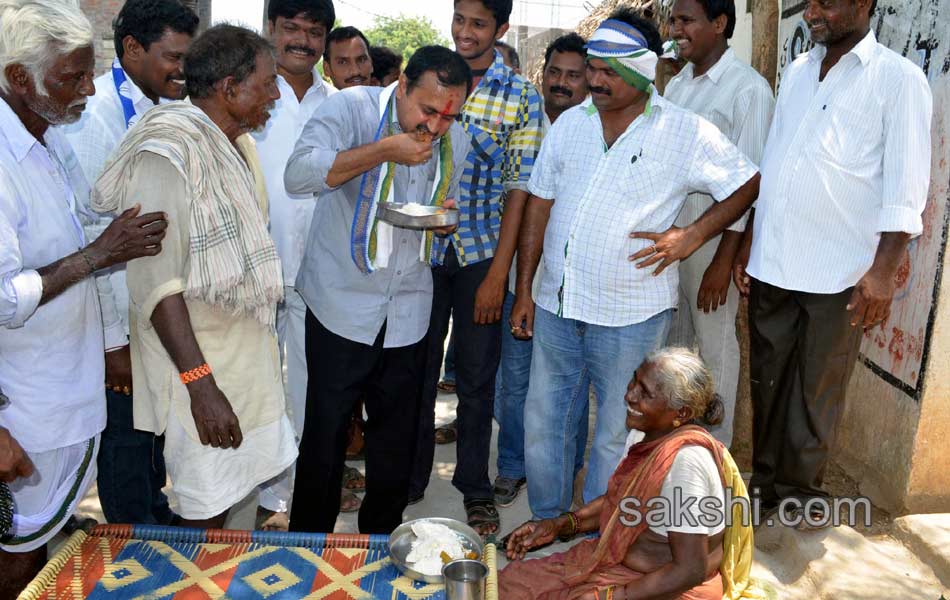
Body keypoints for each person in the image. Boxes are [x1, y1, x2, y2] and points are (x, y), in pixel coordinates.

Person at [510, 9, 760, 521]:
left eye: (609, 71)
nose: (595, 80)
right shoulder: (571, 126)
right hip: (558, 302)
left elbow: (747, 181)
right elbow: (539, 201)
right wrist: (524, 289)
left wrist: (691, 236)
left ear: (643, 72)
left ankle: (598, 540)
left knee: (616, 435)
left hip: (630, 313)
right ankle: (547, 522)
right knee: (545, 422)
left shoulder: (682, 131)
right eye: (593, 68)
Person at [91, 24, 297, 529]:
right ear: (228, 88)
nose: (276, 94)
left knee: (226, 505)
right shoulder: (166, 155)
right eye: (268, 83)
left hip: (243, 361)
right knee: (202, 512)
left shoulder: (235, 145)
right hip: (201, 373)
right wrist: (201, 387)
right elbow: (157, 286)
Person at [733, 0, 931, 525]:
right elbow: (773, 165)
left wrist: (883, 272)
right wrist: (752, 240)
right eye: (810, 2)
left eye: (827, 2)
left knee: (815, 394)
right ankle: (765, 490)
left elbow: (907, 186)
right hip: (775, 261)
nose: (813, 11)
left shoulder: (898, 79)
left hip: (839, 272)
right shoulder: (798, 70)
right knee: (768, 383)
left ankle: (799, 504)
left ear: (864, 4)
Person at [0, 1, 168, 593]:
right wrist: (99, 256)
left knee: (39, 540)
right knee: (14, 550)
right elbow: (3, 296)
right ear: (20, 79)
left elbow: (84, 227)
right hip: (23, 410)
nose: (89, 88)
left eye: (90, 72)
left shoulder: (50, 137)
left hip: (64, 395)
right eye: (72, 76)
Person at [284, 46, 471, 535]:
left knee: (395, 443)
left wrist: (444, 221)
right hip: (341, 305)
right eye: (427, 111)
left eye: (449, 117)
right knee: (325, 436)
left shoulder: (459, 140)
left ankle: (378, 549)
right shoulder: (351, 109)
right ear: (404, 85)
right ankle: (310, 547)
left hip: (408, 309)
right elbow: (299, 174)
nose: (434, 127)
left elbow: (439, 208)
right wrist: (384, 150)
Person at [61, 0, 198, 529]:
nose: (184, 70)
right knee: (125, 441)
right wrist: (112, 343)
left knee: (153, 439)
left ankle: (153, 522)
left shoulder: (169, 109)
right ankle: (129, 551)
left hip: (160, 309)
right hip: (118, 322)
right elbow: (93, 241)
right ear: (133, 49)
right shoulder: (92, 120)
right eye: (174, 57)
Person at [499, 348, 758, 600]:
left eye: (645, 393)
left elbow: (690, 570)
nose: (630, 396)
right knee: (510, 584)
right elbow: (622, 502)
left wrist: (610, 596)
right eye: (634, 381)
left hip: (669, 590)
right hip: (623, 570)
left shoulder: (687, 463)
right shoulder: (643, 433)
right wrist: (559, 525)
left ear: (681, 414)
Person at [251, 0, 351, 530]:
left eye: (315, 33)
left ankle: (284, 501)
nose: (303, 42)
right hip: (252, 273)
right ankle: (259, 490)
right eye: (291, 28)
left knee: (308, 394)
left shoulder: (338, 105)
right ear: (270, 28)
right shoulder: (244, 96)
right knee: (256, 389)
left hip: (318, 276)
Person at [662, 0, 774, 447]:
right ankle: (672, 454)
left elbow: (751, 181)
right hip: (673, 237)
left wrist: (723, 261)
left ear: (720, 23)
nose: (676, 29)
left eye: (686, 20)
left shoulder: (747, 91)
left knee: (714, 352)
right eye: (673, 20)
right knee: (674, 350)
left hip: (712, 244)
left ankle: (715, 455)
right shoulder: (678, 86)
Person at [493, 31, 591, 508]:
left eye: (574, 75)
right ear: (543, 73)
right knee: (515, 380)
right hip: (520, 281)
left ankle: (569, 471)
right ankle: (512, 465)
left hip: (573, 290)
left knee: (570, 388)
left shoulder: (598, 132)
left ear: (589, 80)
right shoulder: (525, 123)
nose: (562, 83)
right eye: (555, 72)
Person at [323, 26, 372, 90]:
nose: (355, 71)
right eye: (342, 62)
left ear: (371, 62)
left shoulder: (385, 98)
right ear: (327, 69)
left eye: (361, 60)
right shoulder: (321, 99)